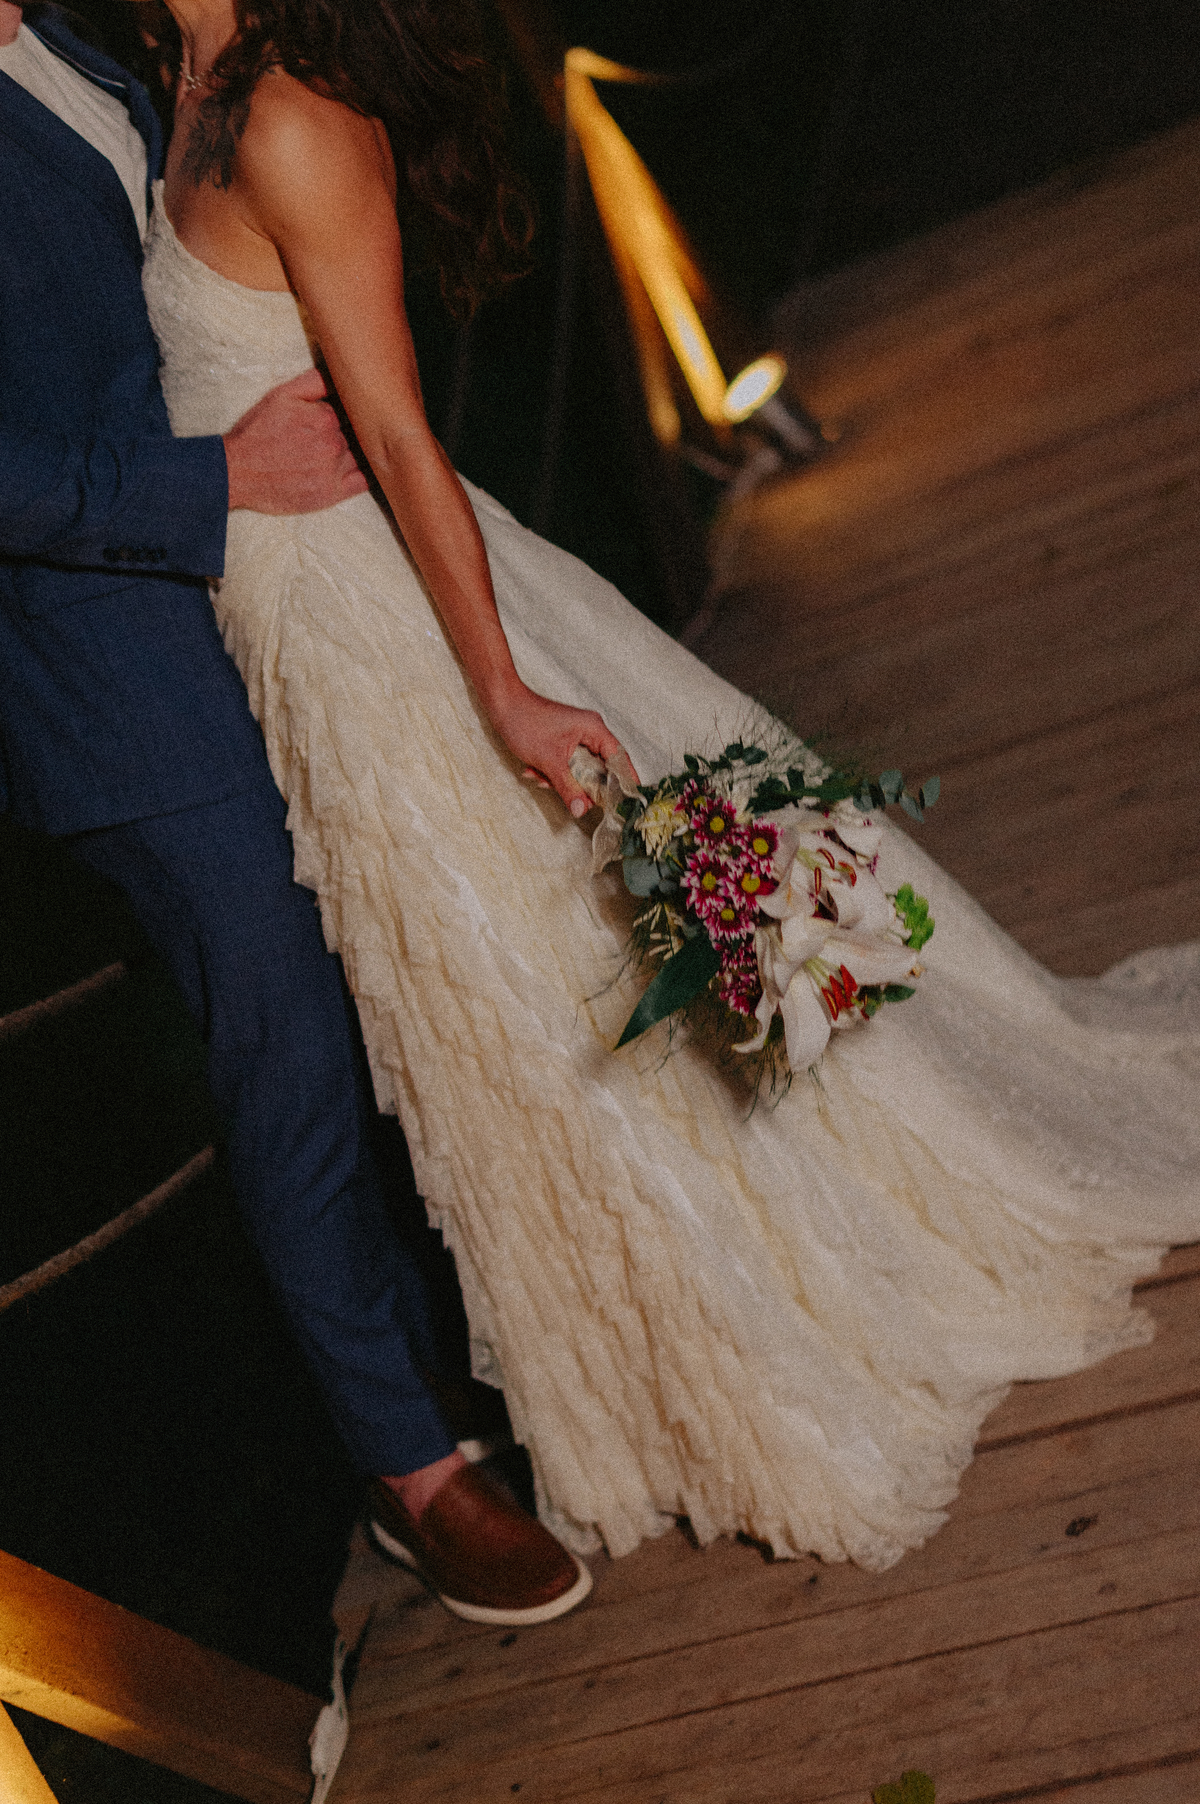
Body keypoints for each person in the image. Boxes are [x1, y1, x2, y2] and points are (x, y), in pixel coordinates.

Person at [138, 0, 1198, 1571]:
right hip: (294, 640)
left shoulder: (291, 116)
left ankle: (788, 1305)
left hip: (381, 628)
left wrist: (501, 690)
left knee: (555, 989)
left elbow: (402, 439)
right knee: (514, 1016)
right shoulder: (172, 80)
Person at [0, 0, 593, 1625]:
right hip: (116, 681)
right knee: (292, 1056)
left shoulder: (90, 41)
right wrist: (212, 484)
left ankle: (468, 1353)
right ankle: (412, 1472)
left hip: (278, 615)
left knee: (398, 986)